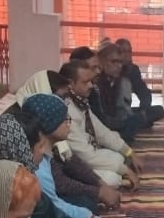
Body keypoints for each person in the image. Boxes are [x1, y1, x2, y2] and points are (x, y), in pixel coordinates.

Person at [22, 93, 123, 215]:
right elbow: (60, 183)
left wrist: (101, 184)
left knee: (91, 194)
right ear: (49, 124)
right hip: (52, 201)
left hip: (61, 192)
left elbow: (74, 163)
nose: (68, 123)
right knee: (85, 203)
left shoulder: (58, 144)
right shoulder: (39, 158)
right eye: (64, 119)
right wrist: (98, 192)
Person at [59, 60, 143, 188]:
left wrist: (129, 152)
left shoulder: (80, 102)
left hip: (89, 153)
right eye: (85, 82)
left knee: (118, 156)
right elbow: (86, 157)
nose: (91, 85)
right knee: (111, 178)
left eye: (91, 81)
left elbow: (102, 132)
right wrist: (125, 170)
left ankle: (116, 175)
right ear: (70, 83)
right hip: (75, 163)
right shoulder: (66, 111)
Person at [93, 42, 150, 142]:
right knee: (136, 121)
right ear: (101, 62)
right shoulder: (95, 81)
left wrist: (142, 112)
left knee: (157, 111)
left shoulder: (124, 75)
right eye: (114, 62)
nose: (119, 66)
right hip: (103, 121)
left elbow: (144, 93)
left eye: (120, 62)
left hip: (119, 116)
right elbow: (101, 117)